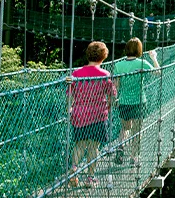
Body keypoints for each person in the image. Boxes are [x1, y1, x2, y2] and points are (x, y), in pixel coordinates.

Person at [68, 41, 116, 189]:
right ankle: (90, 178)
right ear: (103, 56)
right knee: (94, 147)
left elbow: (70, 96)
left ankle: (74, 170)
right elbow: (113, 96)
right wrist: (109, 106)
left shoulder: (75, 74)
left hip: (79, 115)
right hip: (98, 115)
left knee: (79, 145)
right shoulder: (105, 75)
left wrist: (69, 109)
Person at [112, 37, 159, 165]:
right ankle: (134, 157)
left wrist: (115, 99)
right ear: (139, 50)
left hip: (124, 101)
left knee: (125, 127)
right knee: (137, 131)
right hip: (139, 101)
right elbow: (157, 72)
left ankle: (120, 147)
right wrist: (154, 57)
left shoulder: (118, 65)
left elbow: (116, 85)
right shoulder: (142, 63)